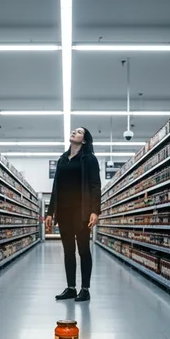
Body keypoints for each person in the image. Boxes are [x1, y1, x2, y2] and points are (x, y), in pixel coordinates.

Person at [46, 127, 101, 302]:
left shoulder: (89, 159)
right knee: (68, 250)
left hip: (82, 211)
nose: (74, 132)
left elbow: (95, 186)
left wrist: (95, 210)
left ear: (84, 140)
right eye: (74, 131)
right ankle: (71, 287)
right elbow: (56, 188)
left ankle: (85, 289)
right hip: (64, 211)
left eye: (78, 132)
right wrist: (50, 212)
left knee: (83, 249)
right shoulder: (62, 160)